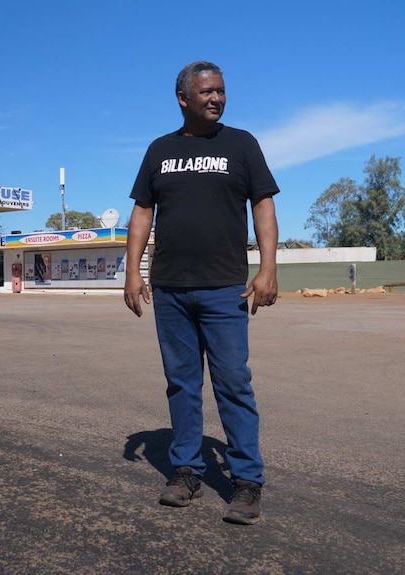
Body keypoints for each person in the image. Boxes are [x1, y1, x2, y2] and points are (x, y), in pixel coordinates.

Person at [124, 61, 279, 525]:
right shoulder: (159, 150)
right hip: (170, 289)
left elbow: (263, 205)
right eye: (208, 92)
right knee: (182, 384)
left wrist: (268, 267)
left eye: (222, 91)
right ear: (183, 98)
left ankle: (247, 481)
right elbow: (141, 215)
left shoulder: (241, 144)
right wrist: (133, 272)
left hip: (224, 289)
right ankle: (186, 470)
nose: (217, 98)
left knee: (233, 382)